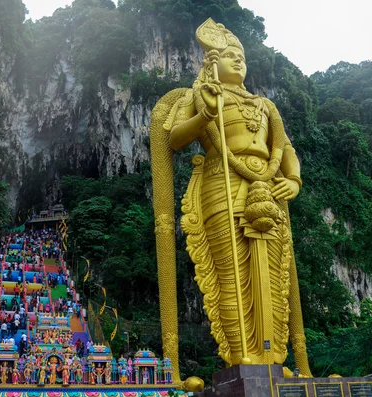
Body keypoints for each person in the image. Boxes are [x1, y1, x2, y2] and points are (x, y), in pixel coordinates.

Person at [151, 19, 311, 375]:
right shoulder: (202, 95)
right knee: (231, 275)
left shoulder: (265, 105)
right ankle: (242, 359)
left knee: (272, 276)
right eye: (228, 56)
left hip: (267, 188)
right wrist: (206, 112)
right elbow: (174, 139)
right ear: (211, 63)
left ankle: (273, 358)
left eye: (241, 56)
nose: (238, 61)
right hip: (220, 186)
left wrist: (295, 179)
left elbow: (285, 150)